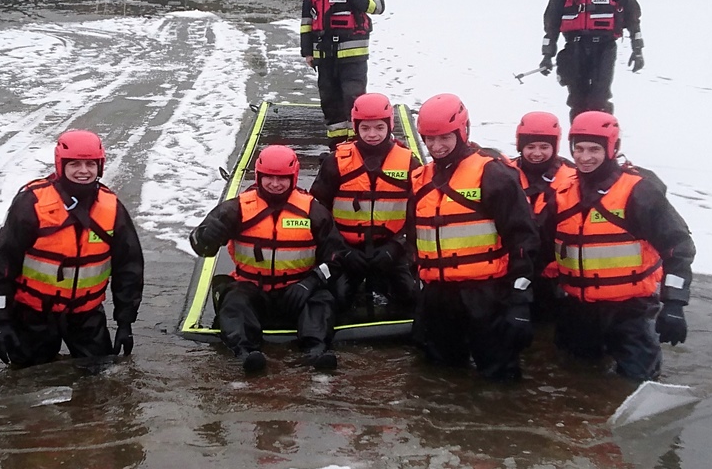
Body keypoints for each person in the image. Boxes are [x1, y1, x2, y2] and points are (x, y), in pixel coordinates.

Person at [546, 111, 696, 381]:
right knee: (575, 379)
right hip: (578, 311)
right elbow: (542, 244)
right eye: (577, 149)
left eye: (594, 149)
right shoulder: (563, 192)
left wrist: (674, 305)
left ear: (612, 148)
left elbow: (678, 246)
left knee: (635, 381)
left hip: (630, 311)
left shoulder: (639, 191)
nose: (584, 157)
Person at [406, 94, 539, 381]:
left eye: (443, 138)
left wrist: (520, 297)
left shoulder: (492, 172)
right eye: (429, 139)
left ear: (462, 132)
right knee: (440, 375)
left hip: (486, 294)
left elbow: (522, 237)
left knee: (498, 374)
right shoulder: (420, 178)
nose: (435, 147)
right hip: (439, 296)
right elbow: (413, 235)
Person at [0, 129, 145, 369]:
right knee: (27, 382)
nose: (83, 171)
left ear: (99, 166)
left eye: (90, 164)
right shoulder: (32, 202)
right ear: (61, 165)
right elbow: (4, 264)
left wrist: (125, 322)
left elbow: (129, 267)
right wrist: (1, 322)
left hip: (86, 316)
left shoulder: (112, 208)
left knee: (101, 385)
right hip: (33, 315)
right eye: (75, 164)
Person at [189, 144, 339, 374]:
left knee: (321, 301)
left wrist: (310, 282)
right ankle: (245, 353)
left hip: (296, 291)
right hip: (251, 289)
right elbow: (202, 248)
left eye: (282, 179)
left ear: (294, 177)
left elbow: (336, 258)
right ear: (259, 176)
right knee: (234, 301)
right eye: (269, 178)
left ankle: (315, 351)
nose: (275, 184)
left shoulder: (314, 211)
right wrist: (204, 236)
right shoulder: (235, 208)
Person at [310, 91, 419, 320]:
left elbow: (419, 213)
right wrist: (343, 250)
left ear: (389, 127)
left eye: (379, 128)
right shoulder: (335, 162)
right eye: (365, 128)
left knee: (410, 295)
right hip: (346, 251)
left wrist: (397, 246)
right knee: (338, 300)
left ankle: (383, 280)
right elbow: (318, 213)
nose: (372, 134)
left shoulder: (409, 162)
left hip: (391, 250)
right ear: (356, 128)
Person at [538, 0, 644, 117]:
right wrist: (547, 54)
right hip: (575, 48)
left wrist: (637, 49)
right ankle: (578, 142)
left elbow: (632, 17)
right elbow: (552, 21)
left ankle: (601, 139)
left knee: (599, 98)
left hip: (604, 47)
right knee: (577, 98)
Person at [300, 0, 385, 140]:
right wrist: (307, 52)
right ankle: (337, 147)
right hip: (325, 56)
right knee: (329, 101)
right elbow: (306, 20)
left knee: (353, 100)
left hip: (353, 55)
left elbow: (379, 6)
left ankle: (357, 143)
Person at [510, 110, 576, 322]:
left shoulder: (573, 176)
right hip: (515, 270)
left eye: (544, 147)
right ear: (520, 146)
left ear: (555, 147)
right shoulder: (504, 173)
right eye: (530, 147)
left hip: (554, 275)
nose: (536, 153)